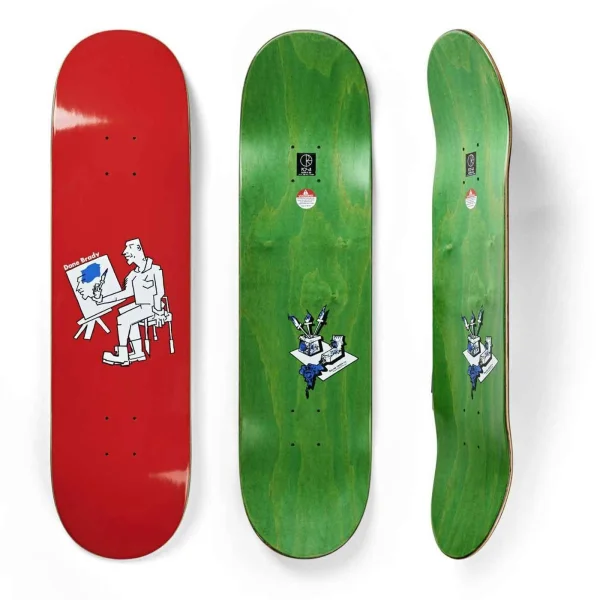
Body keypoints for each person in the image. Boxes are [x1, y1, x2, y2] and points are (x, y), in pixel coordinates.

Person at [93, 238, 167, 366]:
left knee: (123, 319)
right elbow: (124, 294)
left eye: (129, 251)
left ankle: (123, 355)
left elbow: (159, 293)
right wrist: (101, 300)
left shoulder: (155, 269)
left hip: (153, 307)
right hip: (142, 306)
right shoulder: (133, 275)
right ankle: (138, 352)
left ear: (138, 249)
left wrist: (159, 312)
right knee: (124, 313)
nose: (125, 254)